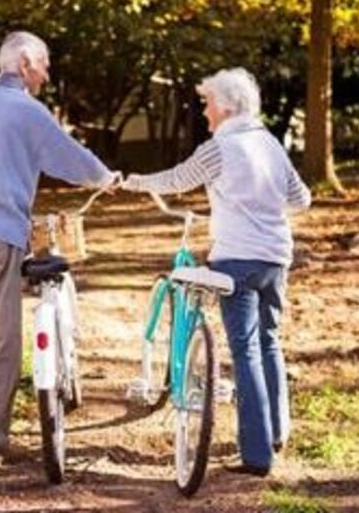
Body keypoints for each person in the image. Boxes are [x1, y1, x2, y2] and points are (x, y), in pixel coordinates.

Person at [0, 31, 116, 463]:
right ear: (26, 62)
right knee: (0, 341)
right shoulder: (30, 112)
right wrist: (106, 178)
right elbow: (71, 158)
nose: (46, 74)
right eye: (44, 64)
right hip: (0, 235)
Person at [123, 67, 311, 476]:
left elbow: (177, 180)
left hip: (236, 261)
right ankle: (276, 433)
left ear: (225, 106)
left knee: (245, 352)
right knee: (269, 342)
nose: (204, 112)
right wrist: (265, 201)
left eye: (207, 103)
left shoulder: (219, 148)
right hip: (276, 258)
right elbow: (302, 198)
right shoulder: (270, 144)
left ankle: (258, 457)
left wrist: (134, 182)